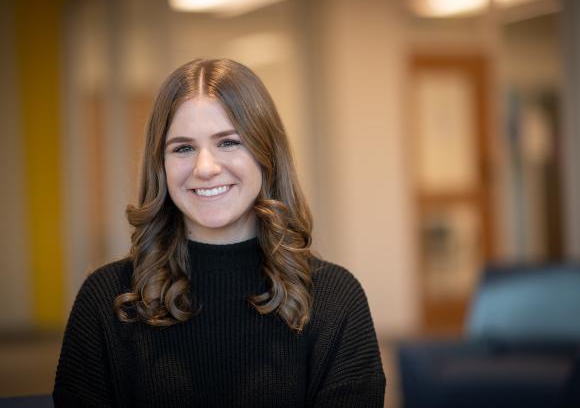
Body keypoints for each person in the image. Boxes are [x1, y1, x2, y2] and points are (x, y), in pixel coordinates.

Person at [53, 58, 386, 407]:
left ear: (265, 152)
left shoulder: (335, 298)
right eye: (183, 148)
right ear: (160, 165)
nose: (205, 168)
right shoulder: (108, 299)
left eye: (228, 142)